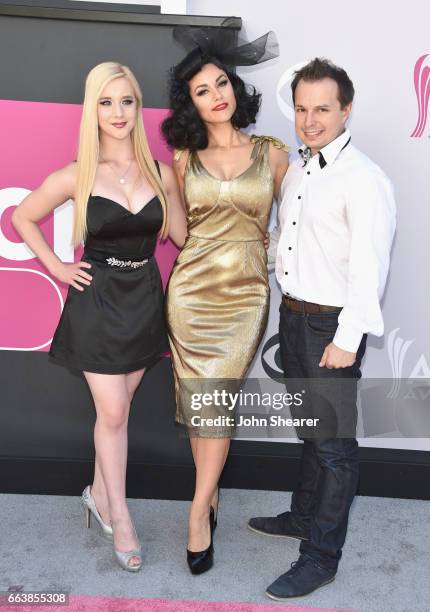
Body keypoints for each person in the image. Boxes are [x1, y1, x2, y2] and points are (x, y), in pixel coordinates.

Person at [12, 62, 186, 572]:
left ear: (138, 106)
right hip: (98, 300)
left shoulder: (161, 172)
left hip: (144, 300)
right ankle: (121, 516)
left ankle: (97, 493)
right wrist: (58, 268)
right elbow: (22, 216)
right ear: (93, 110)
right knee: (112, 414)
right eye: (106, 102)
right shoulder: (77, 174)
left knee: (118, 411)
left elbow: (181, 238)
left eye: (126, 101)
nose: (117, 112)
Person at [248, 57, 396, 599]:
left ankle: (322, 555)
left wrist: (347, 339)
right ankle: (303, 516)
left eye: (323, 109)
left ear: (346, 109)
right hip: (293, 317)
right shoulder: (303, 169)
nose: (310, 120)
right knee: (311, 431)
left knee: (334, 447)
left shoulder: (365, 180)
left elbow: (369, 268)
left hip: (331, 327)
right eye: (303, 109)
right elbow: (287, 245)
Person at [161, 23, 289, 575]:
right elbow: (179, 232)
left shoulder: (274, 154)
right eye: (202, 91)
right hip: (191, 291)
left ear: (235, 88)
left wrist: (274, 250)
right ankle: (206, 501)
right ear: (191, 103)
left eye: (221, 84)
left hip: (245, 294)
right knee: (202, 403)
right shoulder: (183, 159)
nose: (216, 96)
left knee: (217, 399)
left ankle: (196, 510)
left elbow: (299, 221)